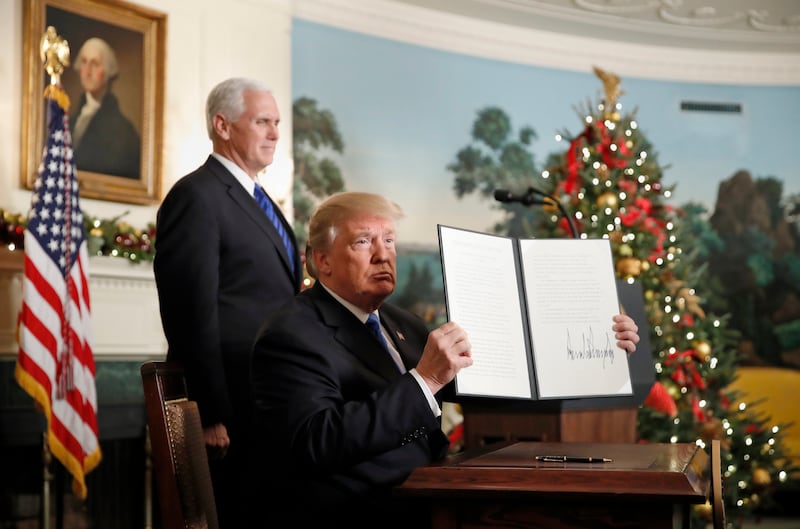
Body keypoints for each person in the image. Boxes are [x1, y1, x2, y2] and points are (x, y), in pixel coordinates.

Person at [250, 191, 640, 528]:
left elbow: (491, 379)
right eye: (363, 242)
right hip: (359, 514)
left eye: (389, 240)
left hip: (431, 497)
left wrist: (597, 343)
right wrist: (425, 380)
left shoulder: (399, 321)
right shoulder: (291, 334)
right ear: (322, 261)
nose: (383, 255)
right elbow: (316, 442)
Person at [153, 77, 303, 529]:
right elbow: (190, 313)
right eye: (262, 121)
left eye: (276, 122)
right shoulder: (196, 196)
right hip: (229, 411)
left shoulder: (263, 202)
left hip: (269, 403)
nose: (275, 132)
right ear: (222, 125)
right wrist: (209, 411)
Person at [70, 37, 141, 179]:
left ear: (108, 72)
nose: (88, 71)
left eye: (95, 64)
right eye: (84, 62)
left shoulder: (123, 131)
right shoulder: (70, 121)